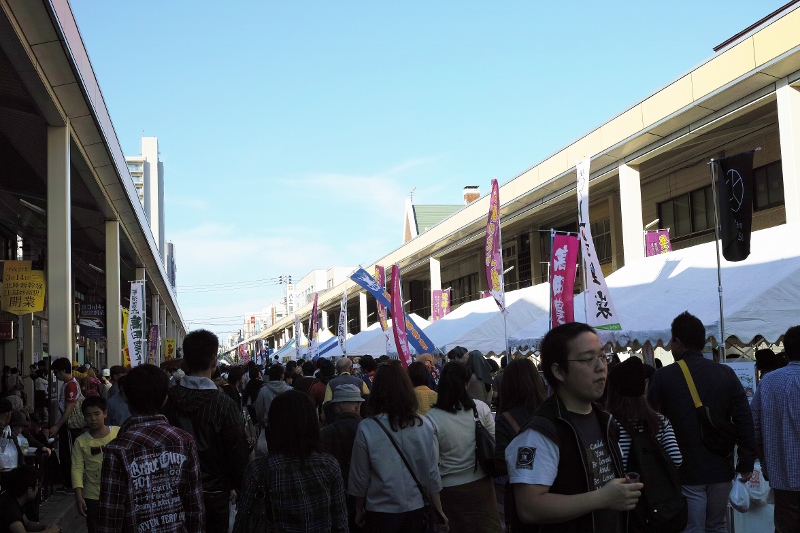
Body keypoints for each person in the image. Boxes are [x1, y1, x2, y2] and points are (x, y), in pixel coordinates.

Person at [505, 322, 641, 532]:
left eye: (602, 356)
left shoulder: (605, 420)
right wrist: (602, 498)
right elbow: (529, 507)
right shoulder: (541, 432)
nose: (600, 367)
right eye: (587, 359)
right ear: (559, 371)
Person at [647, 311, 755, 533]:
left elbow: (651, 422)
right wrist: (745, 462)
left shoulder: (663, 376)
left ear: (677, 342)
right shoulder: (725, 373)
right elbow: (744, 418)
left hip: (685, 470)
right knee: (717, 525)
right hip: (721, 467)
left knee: (692, 528)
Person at [162, 329, 250, 533]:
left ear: (185, 360)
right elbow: (237, 452)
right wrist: (237, 485)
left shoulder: (167, 400)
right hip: (215, 494)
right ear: (214, 360)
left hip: (172, 493)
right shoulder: (224, 404)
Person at [97, 364, 204, 533]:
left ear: (127, 399)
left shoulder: (116, 449)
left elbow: (110, 517)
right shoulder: (184, 441)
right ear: (165, 399)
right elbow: (194, 506)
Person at [348, 359, 447, 533]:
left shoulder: (367, 427)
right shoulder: (424, 424)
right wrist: (439, 510)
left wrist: (359, 508)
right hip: (417, 507)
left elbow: (360, 476)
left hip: (380, 509)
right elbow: (432, 473)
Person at [234, 390, 348, 533]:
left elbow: (243, 520)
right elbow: (340, 521)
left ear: (275, 425)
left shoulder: (258, 469)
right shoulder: (329, 464)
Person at [426, 361, 502, 533]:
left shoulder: (432, 418)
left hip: (449, 491)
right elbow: (495, 443)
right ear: (466, 384)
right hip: (482, 485)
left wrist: (438, 508)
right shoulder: (480, 408)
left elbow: (432, 468)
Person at [751, 325, 800, 533]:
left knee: (785, 527)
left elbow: (753, 428)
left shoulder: (768, 382)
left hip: (782, 475)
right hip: (781, 475)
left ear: (786, 351)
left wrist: (765, 462)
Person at [493, 357, 547, 529]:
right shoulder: (550, 411)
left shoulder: (505, 419)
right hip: (555, 492)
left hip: (521, 496)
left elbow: (501, 462)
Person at [607, 356, 682, 470]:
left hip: (621, 481)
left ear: (612, 391)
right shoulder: (660, 421)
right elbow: (676, 459)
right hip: (655, 481)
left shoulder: (608, 423)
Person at [320, 384, 365, 532]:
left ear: (335, 408)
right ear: (358, 406)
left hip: (335, 498)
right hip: (366, 498)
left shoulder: (325, 433)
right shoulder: (368, 429)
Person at [71, 396, 120, 533]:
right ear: (84, 417)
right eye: (88, 415)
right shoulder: (80, 441)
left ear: (105, 413)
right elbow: (76, 469)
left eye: (97, 414)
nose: (93, 418)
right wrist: (78, 496)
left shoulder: (118, 433)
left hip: (117, 493)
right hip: (92, 496)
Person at [44, 357, 83, 493]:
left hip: (69, 425)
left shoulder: (71, 385)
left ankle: (71, 484)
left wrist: (58, 425)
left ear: (62, 371)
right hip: (66, 425)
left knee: (69, 455)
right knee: (66, 454)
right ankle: (68, 483)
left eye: (56, 372)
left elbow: (69, 409)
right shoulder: (69, 384)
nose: (55, 375)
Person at [0, 465, 62, 533]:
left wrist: (43, 527)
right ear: (29, 490)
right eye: (37, 485)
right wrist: (51, 531)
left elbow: (26, 523)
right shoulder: (9, 506)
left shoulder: (15, 500)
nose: (38, 488)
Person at [322, 358, 370, 423]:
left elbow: (327, 403)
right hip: (358, 420)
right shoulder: (360, 382)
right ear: (351, 368)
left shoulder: (331, 383)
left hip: (338, 420)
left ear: (337, 369)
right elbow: (367, 400)